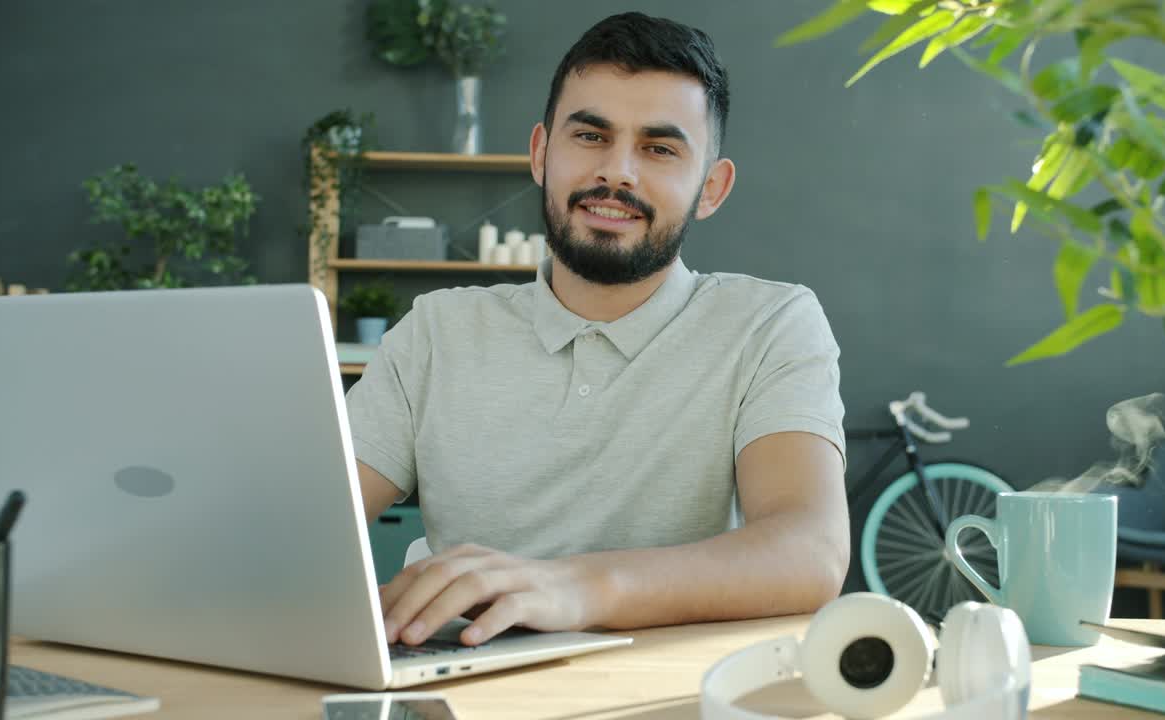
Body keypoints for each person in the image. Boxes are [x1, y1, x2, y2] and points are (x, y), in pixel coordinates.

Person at [346, 11, 848, 648]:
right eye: (590, 136)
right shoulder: (437, 330)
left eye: (659, 149)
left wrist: (576, 589)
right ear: (539, 153)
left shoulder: (771, 325)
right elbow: (308, 526)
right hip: (458, 688)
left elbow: (811, 551)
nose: (618, 173)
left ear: (712, 187)